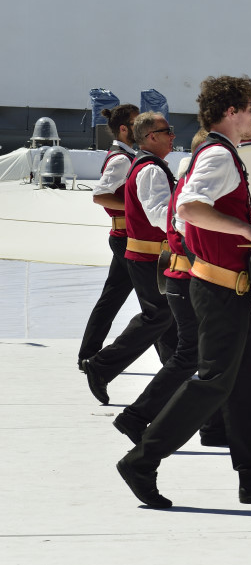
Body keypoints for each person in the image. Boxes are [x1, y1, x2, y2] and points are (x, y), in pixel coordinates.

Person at [117, 75, 251, 508]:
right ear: (230, 112)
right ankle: (142, 461)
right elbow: (186, 208)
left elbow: (189, 221)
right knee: (213, 384)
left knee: (244, 387)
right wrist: (248, 231)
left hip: (225, 285)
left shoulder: (217, 153)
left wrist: (241, 251)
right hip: (218, 291)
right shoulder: (219, 156)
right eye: (249, 109)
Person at [112, 127, 228, 448]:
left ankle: (212, 426)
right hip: (189, 279)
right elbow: (184, 228)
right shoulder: (189, 189)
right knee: (192, 355)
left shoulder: (189, 184)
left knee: (201, 355)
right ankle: (137, 416)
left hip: (186, 277)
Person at [81, 113, 180, 404]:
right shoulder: (150, 169)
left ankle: (177, 378)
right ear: (151, 137)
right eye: (167, 131)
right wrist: (193, 224)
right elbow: (158, 213)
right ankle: (100, 365)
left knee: (167, 317)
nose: (173, 136)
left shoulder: (148, 165)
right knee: (159, 315)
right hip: (147, 255)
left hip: (148, 253)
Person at [78, 103, 140, 384]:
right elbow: (100, 195)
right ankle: (176, 358)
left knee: (112, 298)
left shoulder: (126, 156)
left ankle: (88, 354)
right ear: (125, 128)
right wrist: (134, 210)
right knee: (158, 306)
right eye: (137, 124)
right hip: (127, 237)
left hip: (124, 236)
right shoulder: (122, 160)